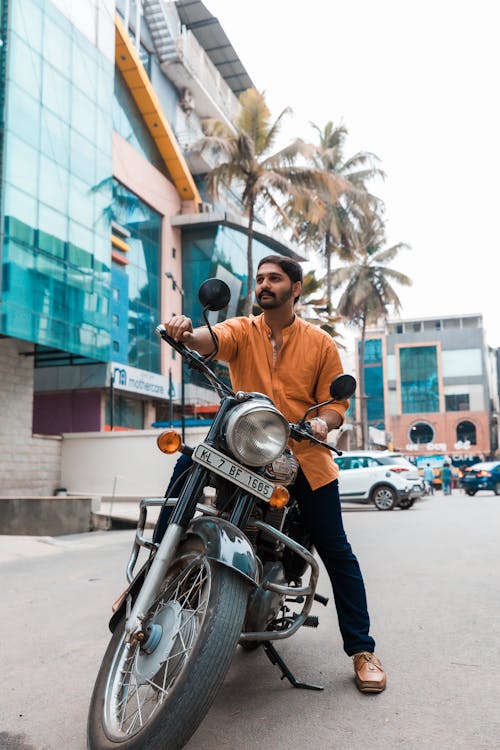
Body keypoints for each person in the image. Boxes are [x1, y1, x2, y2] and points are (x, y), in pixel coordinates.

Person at [157, 255, 386, 694]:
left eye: (274, 279)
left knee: (337, 552)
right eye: (260, 279)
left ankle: (362, 650)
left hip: (303, 456)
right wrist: (186, 330)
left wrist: (324, 423)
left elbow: (337, 405)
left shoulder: (319, 343)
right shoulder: (243, 329)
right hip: (245, 447)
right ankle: (155, 579)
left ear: (294, 289)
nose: (264, 285)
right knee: (187, 466)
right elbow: (211, 339)